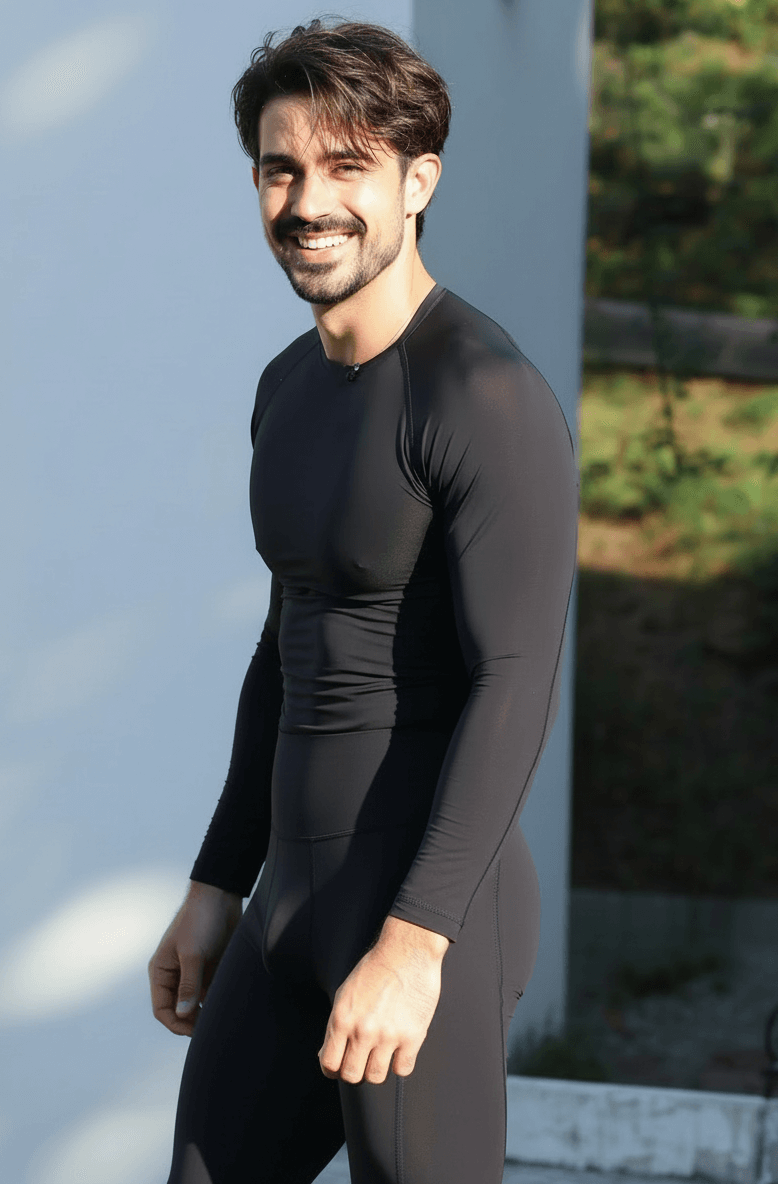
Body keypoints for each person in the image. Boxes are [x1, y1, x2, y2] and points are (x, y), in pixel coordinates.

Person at [148, 17, 578, 1184]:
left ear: (417, 182)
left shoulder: (482, 394)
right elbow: (284, 645)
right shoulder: (287, 386)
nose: (308, 202)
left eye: (347, 167)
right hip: (289, 895)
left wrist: (417, 938)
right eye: (281, 167)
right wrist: (216, 881)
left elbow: (516, 680)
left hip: (427, 905)